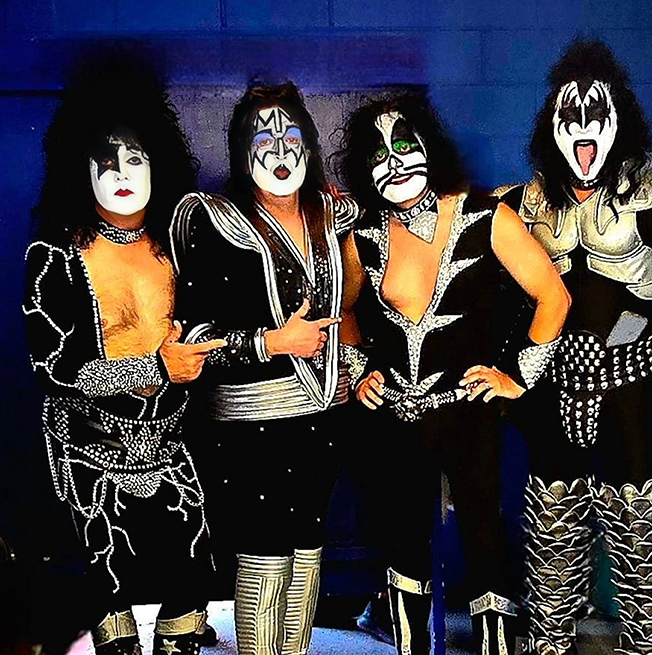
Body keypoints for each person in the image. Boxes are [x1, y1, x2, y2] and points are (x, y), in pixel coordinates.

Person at [498, 39, 652, 655]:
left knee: (641, 536)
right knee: (550, 535)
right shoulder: (526, 203)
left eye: (596, 112)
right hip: (553, 390)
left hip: (629, 395)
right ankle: (549, 643)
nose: (582, 126)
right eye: (569, 113)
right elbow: (458, 228)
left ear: (620, 120)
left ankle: (647, 649)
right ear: (550, 125)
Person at [336, 93, 570, 655]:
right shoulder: (363, 236)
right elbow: (342, 311)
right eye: (378, 155)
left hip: (469, 414)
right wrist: (361, 370)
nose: (394, 163)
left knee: (484, 533)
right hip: (396, 417)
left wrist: (516, 376)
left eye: (404, 144)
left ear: (429, 146)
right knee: (402, 539)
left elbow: (554, 296)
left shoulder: (486, 217)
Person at [23, 56, 224, 655]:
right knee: (108, 597)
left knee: (191, 583)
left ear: (158, 162)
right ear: (79, 168)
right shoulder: (55, 255)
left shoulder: (181, 245)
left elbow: (222, 322)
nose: (121, 174)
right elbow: (53, 370)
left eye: (135, 158)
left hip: (175, 441)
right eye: (105, 162)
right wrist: (156, 367)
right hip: (88, 448)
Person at [170, 81, 360, 655]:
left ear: (310, 145)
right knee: (265, 553)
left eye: (291, 137)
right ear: (239, 150)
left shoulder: (330, 211)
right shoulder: (212, 220)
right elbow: (195, 338)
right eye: (263, 139)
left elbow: (356, 254)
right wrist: (271, 342)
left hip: (322, 415)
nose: (279, 152)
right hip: (249, 422)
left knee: (307, 548)